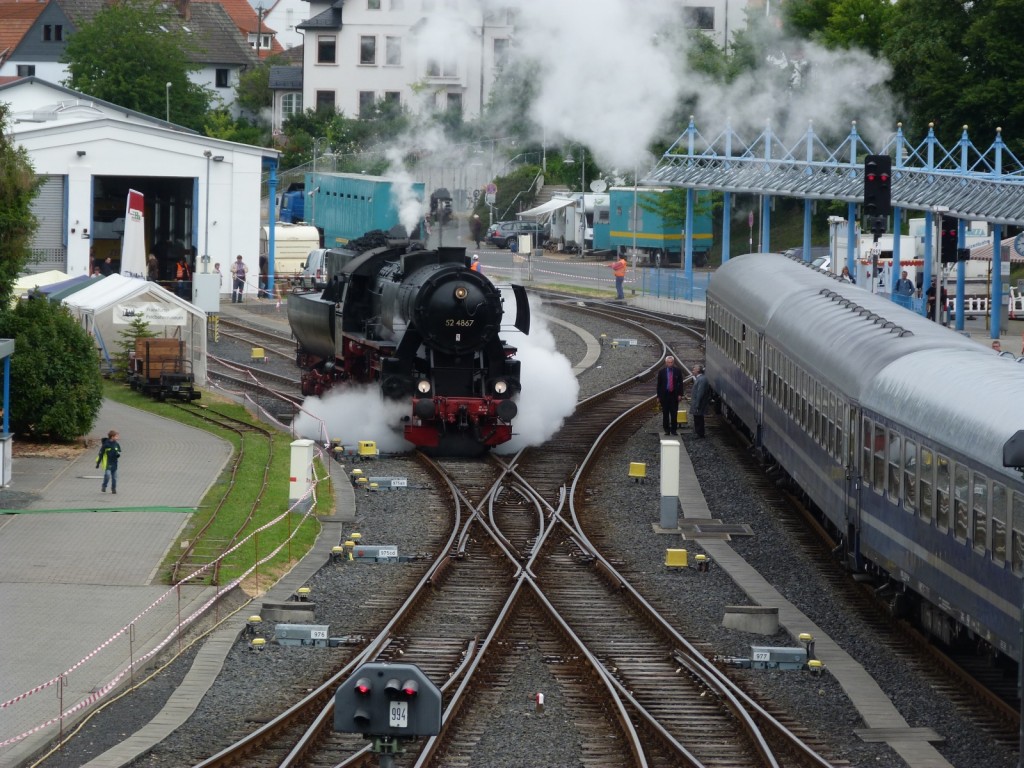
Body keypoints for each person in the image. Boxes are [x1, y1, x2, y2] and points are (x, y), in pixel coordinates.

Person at [656, 356, 685, 436]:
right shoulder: (661, 372)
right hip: (664, 395)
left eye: (671, 362)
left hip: (674, 395)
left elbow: (681, 383)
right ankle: (666, 430)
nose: (670, 364)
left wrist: (680, 394)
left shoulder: (677, 371)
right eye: (668, 362)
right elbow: (659, 385)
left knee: (674, 413)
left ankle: (674, 430)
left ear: (673, 362)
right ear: (666, 363)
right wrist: (658, 396)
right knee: (665, 414)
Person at [96, 430, 122, 494]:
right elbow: (101, 454)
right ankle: (104, 486)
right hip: (108, 462)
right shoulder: (106, 445)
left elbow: (118, 451)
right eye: (116, 436)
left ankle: (113, 489)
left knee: (114, 477)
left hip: (114, 463)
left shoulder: (116, 444)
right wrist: (98, 463)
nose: (117, 437)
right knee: (107, 475)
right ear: (112, 437)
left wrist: (118, 454)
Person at [689, 364, 711, 438]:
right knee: (697, 418)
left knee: (698, 419)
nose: (693, 370)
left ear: (698, 370)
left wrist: (697, 404)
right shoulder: (700, 378)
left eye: (694, 369)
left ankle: (700, 433)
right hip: (698, 403)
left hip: (699, 404)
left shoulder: (701, 379)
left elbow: (700, 393)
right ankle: (699, 432)